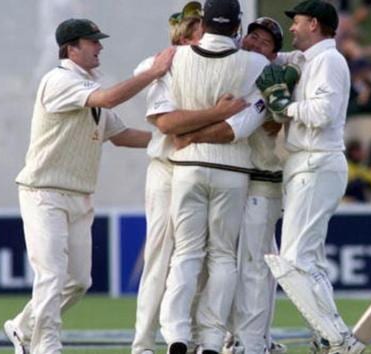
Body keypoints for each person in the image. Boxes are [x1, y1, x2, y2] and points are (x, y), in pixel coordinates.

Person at [3, 18, 174, 354]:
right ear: (71, 48)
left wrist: (171, 138)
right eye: (92, 41)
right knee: (52, 277)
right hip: (44, 192)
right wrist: (153, 73)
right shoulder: (58, 80)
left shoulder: (89, 86)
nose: (100, 47)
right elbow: (108, 100)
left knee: (78, 282)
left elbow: (121, 136)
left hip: (79, 195)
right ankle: (45, 348)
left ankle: (23, 328)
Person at [130, 3, 249, 354]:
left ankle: (199, 338)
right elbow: (167, 124)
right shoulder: (165, 65)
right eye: (193, 26)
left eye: (201, 24)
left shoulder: (219, 60)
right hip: (168, 169)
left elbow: (184, 124)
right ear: (185, 32)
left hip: (194, 164)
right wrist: (219, 113)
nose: (200, 33)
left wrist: (197, 127)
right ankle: (144, 343)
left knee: (202, 262)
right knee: (163, 257)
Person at [154, 0, 269, 353]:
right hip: (232, 171)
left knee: (186, 253)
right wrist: (216, 116)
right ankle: (212, 341)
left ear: (202, 22)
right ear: (238, 27)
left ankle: (176, 335)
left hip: (187, 168)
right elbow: (242, 126)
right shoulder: (256, 64)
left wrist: (191, 136)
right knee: (222, 256)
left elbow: (166, 123)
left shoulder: (176, 58)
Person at [261, 1, 365, 353]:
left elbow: (322, 112)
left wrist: (284, 108)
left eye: (298, 23)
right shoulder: (306, 59)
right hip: (306, 164)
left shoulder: (329, 61)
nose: (291, 28)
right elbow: (277, 60)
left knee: (293, 262)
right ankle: (327, 336)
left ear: (315, 25)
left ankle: (339, 339)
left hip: (317, 162)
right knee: (313, 263)